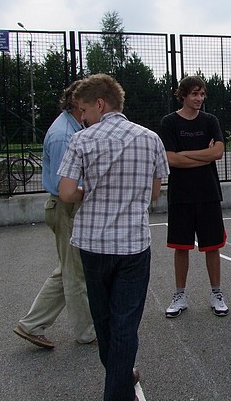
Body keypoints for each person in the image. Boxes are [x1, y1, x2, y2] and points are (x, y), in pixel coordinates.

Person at [58, 74, 169, 401]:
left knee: (104, 320)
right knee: (125, 324)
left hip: (93, 244)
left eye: (83, 109)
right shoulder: (151, 139)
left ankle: (118, 384)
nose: (82, 117)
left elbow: (66, 193)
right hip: (133, 244)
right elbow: (154, 193)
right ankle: (120, 384)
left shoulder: (81, 140)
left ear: (100, 104)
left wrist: (89, 192)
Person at [14, 80, 96, 349]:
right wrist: (94, 190)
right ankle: (87, 332)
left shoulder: (73, 128)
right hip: (65, 208)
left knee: (67, 270)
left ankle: (31, 324)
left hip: (65, 208)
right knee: (75, 274)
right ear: (77, 103)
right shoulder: (64, 135)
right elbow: (65, 187)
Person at [159, 76, 228, 318]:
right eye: (194, 94)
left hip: (208, 192)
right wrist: (203, 156)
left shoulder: (210, 120)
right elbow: (171, 159)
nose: (199, 98)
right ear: (183, 95)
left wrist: (187, 155)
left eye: (202, 94)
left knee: (212, 246)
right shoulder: (169, 122)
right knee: (181, 247)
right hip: (181, 194)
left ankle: (216, 293)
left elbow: (218, 152)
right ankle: (180, 295)